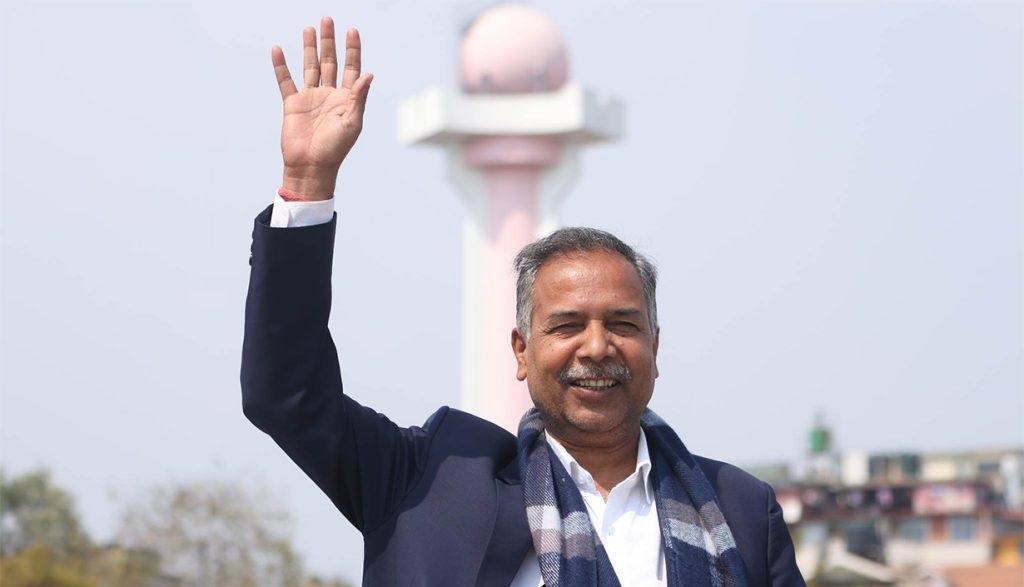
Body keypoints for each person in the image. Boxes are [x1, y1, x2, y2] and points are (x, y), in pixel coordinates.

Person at [242, 17, 806, 587]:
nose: (597, 346)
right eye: (567, 325)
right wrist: (307, 183)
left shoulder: (739, 511)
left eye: (623, 323)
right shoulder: (432, 483)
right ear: (521, 349)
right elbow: (287, 396)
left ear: (655, 349)